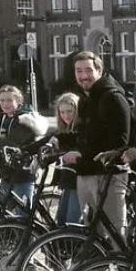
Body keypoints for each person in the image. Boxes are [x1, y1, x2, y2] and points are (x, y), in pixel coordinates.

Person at [60, 51, 130, 233]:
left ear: (99, 70)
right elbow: (80, 134)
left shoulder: (113, 97)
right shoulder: (86, 98)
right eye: (78, 71)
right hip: (86, 173)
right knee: (92, 234)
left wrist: (83, 154)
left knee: (114, 235)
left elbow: (120, 141)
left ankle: (122, 262)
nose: (83, 76)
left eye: (88, 70)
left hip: (107, 176)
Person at [50, 92, 82, 226]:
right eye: (62, 112)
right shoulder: (64, 130)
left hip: (79, 180)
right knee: (61, 220)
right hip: (67, 180)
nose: (66, 116)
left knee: (72, 221)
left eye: (69, 111)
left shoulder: (81, 129)